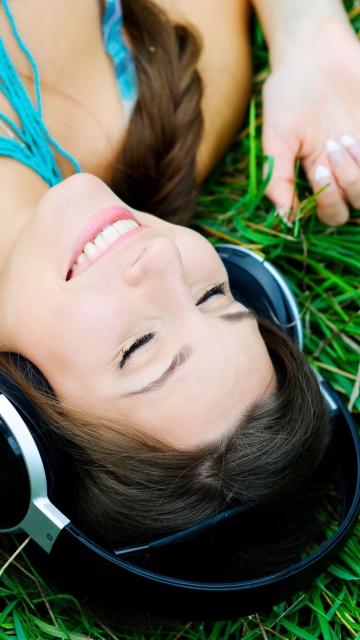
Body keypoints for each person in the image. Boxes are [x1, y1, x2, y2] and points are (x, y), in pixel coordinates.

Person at [0, 0, 351, 589]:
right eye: (215, 295)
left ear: (24, 429)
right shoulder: (162, 105)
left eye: (139, 348)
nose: (162, 257)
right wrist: (308, 33)